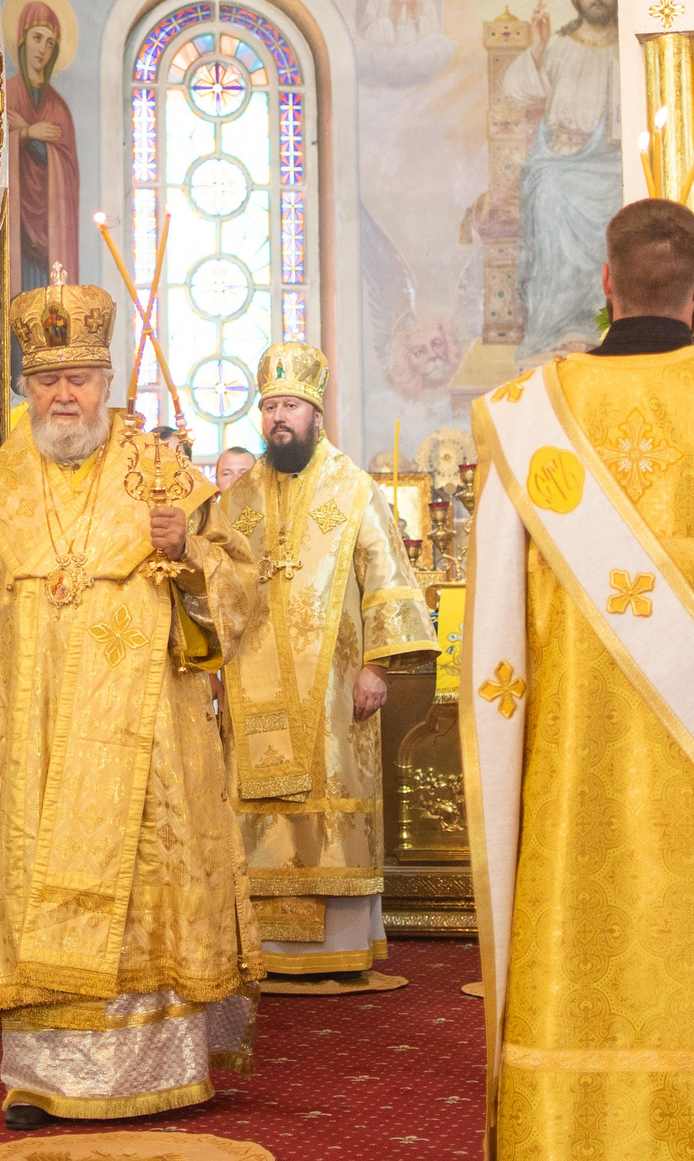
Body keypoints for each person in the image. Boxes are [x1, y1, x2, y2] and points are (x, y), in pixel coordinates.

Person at [464, 199, 694, 1161]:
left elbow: (496, 601)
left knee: (583, 949)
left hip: (572, 773)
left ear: (605, 285)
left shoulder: (528, 412)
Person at [0, 275, 261, 1129]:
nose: (63, 395)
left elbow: (242, 588)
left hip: (146, 734)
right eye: (46, 381)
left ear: (108, 382)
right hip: (32, 733)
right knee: (32, 887)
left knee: (142, 887)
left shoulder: (159, 469)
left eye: (80, 378)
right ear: (28, 390)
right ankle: (39, 1079)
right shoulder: (1, 485)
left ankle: (154, 1071)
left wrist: (193, 557)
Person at [212, 342, 436, 986]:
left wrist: (379, 667)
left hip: (337, 688)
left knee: (330, 795)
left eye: (291, 407)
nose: (279, 418)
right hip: (251, 682)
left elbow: (388, 578)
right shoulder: (239, 496)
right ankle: (266, 953)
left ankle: (337, 947)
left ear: (315, 413)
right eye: (270, 407)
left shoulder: (352, 487)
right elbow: (216, 581)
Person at [502, 0, 620, 355]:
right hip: (559, 162)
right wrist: (536, 49)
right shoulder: (561, 47)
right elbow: (519, 91)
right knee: (550, 192)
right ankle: (560, 326)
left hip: (611, 165)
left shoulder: (630, 47)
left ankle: (608, 324)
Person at [4, 2, 82, 290]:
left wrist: (27, 133)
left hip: (50, 228)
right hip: (15, 225)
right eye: (37, 38)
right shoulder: (7, 95)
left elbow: (67, 170)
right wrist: (27, 134)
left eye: (50, 44)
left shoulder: (57, 106)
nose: (43, 50)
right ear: (23, 40)